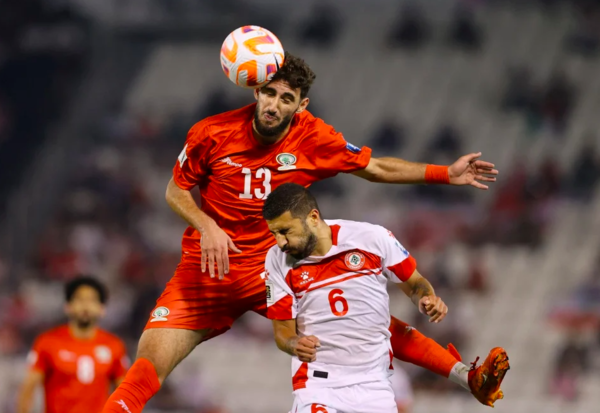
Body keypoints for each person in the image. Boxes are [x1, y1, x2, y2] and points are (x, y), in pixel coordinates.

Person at [103, 51, 500, 413]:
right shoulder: (210, 133)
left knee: (369, 324)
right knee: (149, 363)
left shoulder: (313, 137)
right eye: (270, 93)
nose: (274, 105)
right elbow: (175, 190)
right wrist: (206, 225)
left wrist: (445, 173)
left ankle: (465, 375)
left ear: (301, 105)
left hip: (274, 270)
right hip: (208, 270)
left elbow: (375, 168)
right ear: (256, 89)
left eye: (286, 99)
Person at [263, 183, 509, 412]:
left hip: (375, 389)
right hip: (319, 387)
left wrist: (425, 298)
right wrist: (294, 344)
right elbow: (283, 332)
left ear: (313, 218)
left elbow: (415, 284)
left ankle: (465, 376)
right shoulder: (277, 260)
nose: (280, 242)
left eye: (286, 231)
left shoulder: (371, 238)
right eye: (274, 233)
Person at [17, 276, 129, 413]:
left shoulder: (114, 345)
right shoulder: (47, 342)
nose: (85, 306)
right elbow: (28, 388)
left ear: (102, 309)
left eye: (92, 300)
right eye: (80, 299)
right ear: (68, 306)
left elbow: (124, 393)